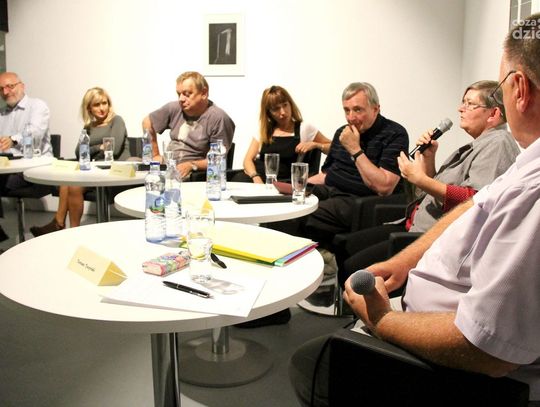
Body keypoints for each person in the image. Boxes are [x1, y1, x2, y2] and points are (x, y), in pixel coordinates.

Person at [289, 13, 540, 406]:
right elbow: (476, 204)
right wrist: (405, 262)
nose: (460, 109)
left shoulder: (520, 172)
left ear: (519, 89)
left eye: (476, 100)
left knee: (309, 363)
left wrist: (382, 320)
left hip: (450, 366)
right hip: (412, 281)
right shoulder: (526, 159)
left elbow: (487, 349)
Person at [335, 80, 520, 288]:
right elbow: (438, 193)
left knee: (352, 267)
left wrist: (419, 179)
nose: (461, 109)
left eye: (470, 104)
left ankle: (361, 307)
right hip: (411, 224)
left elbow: (474, 201)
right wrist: (428, 160)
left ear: (493, 114)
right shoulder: (480, 144)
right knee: (344, 245)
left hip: (429, 239)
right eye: (463, 102)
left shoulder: (498, 143)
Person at [300, 82, 409, 249]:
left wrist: (354, 149)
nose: (350, 117)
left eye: (358, 110)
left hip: (360, 201)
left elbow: (384, 186)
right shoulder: (342, 132)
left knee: (302, 215)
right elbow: (326, 175)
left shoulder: (394, 134)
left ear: (375, 109)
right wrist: (298, 185)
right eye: (346, 110)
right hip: (331, 191)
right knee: (287, 204)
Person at [29, 87, 129, 236]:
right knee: (67, 180)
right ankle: (63, 225)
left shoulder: (116, 120)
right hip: (96, 169)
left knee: (74, 187)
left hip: (115, 171)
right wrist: (99, 147)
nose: (102, 108)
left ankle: (67, 228)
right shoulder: (88, 127)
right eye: (97, 105)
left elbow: (112, 150)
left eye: (104, 103)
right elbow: (78, 152)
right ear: (89, 108)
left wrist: (92, 148)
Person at [142, 71, 235, 179]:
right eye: (179, 94)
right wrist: (155, 155)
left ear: (204, 93)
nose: (181, 99)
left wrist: (192, 165)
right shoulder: (174, 108)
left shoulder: (219, 119)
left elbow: (217, 160)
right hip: (167, 165)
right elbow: (147, 122)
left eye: (187, 94)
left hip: (192, 173)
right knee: (132, 164)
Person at [236, 85, 330, 183]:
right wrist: (255, 177)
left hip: (284, 183)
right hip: (258, 180)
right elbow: (247, 160)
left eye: (285, 105)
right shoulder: (264, 130)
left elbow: (333, 148)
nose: (283, 112)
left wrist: (316, 145)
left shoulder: (304, 128)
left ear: (290, 104)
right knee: (238, 180)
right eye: (276, 109)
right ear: (269, 112)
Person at [0, 72, 51, 241]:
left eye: (10, 86)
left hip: (33, 169)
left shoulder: (37, 106)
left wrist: (13, 140)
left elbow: (35, 133)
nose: (5, 92)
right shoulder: (2, 114)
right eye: (1, 89)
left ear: (22, 86)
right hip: (8, 168)